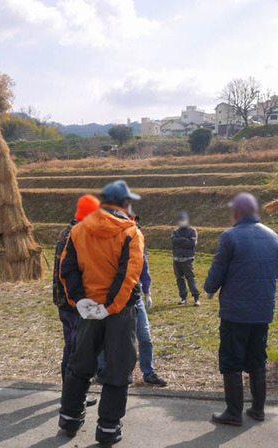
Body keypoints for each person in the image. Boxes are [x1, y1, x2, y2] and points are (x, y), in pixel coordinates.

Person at [58, 180, 145, 445]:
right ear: (124, 204)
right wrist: (110, 307)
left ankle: (69, 419)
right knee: (118, 371)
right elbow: (128, 275)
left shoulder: (79, 230)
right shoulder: (131, 233)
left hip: (88, 311)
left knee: (81, 364)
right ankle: (108, 429)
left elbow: (67, 269)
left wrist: (80, 301)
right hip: (119, 313)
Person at [203, 193, 278, 426]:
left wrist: (209, 289)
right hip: (262, 310)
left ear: (237, 212)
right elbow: (274, 273)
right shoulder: (273, 236)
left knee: (231, 361)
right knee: (258, 360)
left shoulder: (230, 237)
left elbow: (217, 270)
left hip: (236, 313)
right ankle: (258, 409)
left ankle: (233, 413)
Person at [52, 194, 100, 407]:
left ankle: (68, 391)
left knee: (70, 345)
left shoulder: (65, 231)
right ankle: (73, 396)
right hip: (74, 302)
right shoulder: (78, 234)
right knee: (76, 349)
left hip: (63, 299)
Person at [96, 247, 168, 387]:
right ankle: (101, 370)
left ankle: (148, 373)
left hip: (134, 295)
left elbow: (143, 264)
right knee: (105, 334)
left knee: (145, 336)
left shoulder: (136, 237)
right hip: (109, 295)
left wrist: (147, 291)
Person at [171, 212, 201, 306]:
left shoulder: (192, 231)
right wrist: (185, 239)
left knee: (190, 277)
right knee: (179, 278)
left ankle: (196, 298)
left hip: (187, 258)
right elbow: (173, 241)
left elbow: (192, 243)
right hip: (176, 258)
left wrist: (180, 241)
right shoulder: (175, 231)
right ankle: (183, 298)